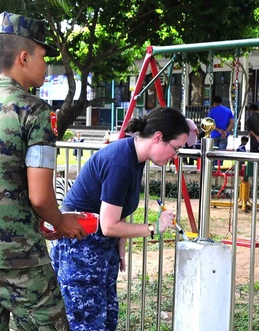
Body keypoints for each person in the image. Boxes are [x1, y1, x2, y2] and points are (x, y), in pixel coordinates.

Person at [0, 11, 85, 331]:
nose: (45, 64)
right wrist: (61, 221)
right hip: (18, 257)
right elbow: (40, 197)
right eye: (42, 56)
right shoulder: (35, 112)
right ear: (24, 57)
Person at [50, 106, 188, 331]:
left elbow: (118, 210)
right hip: (80, 245)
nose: (175, 156)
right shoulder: (120, 162)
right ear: (158, 137)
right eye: (176, 148)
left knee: (106, 318)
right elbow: (109, 224)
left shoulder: (134, 156)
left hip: (98, 245)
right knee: (86, 322)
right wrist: (154, 227)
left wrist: (119, 248)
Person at [207, 96, 234, 167]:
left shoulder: (212, 111)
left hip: (214, 133)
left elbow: (210, 123)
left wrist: (219, 130)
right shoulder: (228, 111)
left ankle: (213, 167)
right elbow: (232, 123)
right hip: (225, 134)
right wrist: (225, 131)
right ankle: (220, 166)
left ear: (214, 103)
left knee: (213, 152)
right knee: (221, 152)